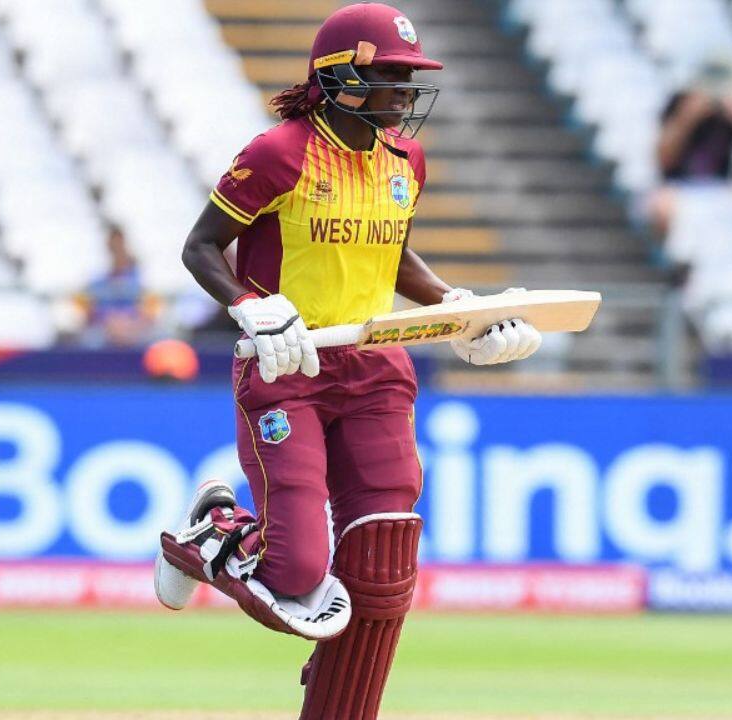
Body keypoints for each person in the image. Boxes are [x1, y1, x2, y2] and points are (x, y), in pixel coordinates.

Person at [152, 5, 541, 719]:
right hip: (287, 361)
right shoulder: (279, 153)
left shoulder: (405, 161)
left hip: (375, 369)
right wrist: (248, 303)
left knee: (383, 563)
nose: (403, 92)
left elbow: (389, 254)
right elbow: (200, 248)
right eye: (388, 75)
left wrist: (459, 310)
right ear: (336, 78)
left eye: (409, 78)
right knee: (297, 582)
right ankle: (214, 531)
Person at [648, 57, 732, 233]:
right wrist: (688, 117)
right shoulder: (679, 103)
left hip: (722, 187)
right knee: (663, 206)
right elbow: (663, 160)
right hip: (679, 185)